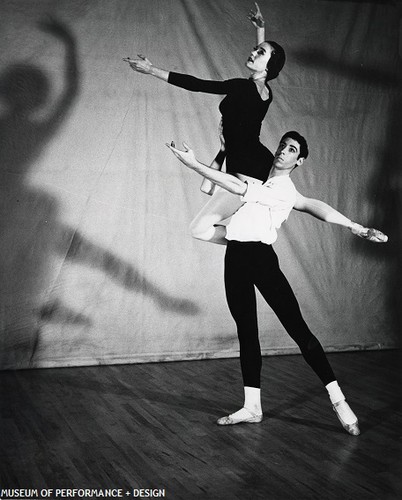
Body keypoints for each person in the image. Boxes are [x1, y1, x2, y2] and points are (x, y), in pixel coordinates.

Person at [167, 132, 387, 436]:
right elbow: (312, 205)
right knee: (247, 332)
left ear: (299, 161)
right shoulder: (263, 183)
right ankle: (252, 407)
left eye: (292, 149)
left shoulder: (282, 189)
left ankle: (338, 399)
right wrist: (353, 225)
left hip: (261, 260)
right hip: (236, 259)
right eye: (283, 145)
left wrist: (194, 165)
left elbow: (238, 186)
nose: (283, 151)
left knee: (299, 331)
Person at [123, 3, 285, 237]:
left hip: (247, 173)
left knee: (200, 229)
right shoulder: (266, 92)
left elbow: (198, 85)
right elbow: (269, 65)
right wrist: (261, 29)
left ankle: (248, 243)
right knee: (204, 215)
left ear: (270, 65)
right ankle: (248, 241)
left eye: (260, 53)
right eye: (254, 49)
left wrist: (152, 70)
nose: (252, 53)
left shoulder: (242, 87)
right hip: (251, 167)